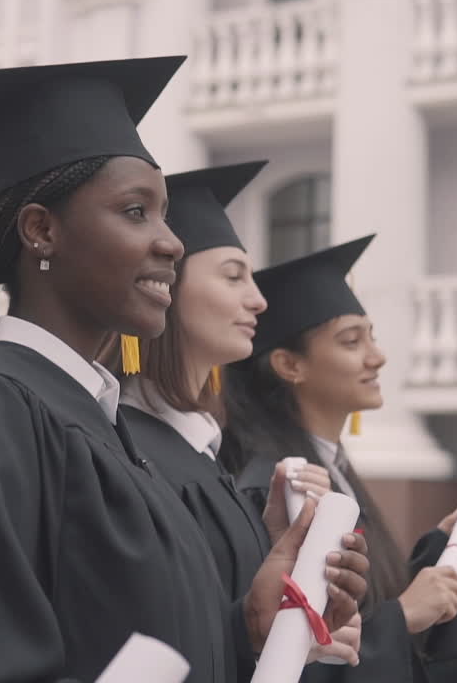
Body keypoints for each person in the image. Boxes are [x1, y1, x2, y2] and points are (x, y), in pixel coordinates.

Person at [0, 57, 369, 683]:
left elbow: (126, 643)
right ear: (41, 230)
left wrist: (251, 626)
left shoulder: (101, 424)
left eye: (164, 214)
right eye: (136, 211)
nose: (172, 242)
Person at [113, 161, 362, 679]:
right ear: (164, 285)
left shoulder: (204, 454)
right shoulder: (126, 452)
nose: (258, 300)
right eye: (233, 276)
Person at [220, 235, 457, 683]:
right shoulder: (279, 487)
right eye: (351, 342)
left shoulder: (332, 466)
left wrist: (436, 554)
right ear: (290, 365)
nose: (377, 357)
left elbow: (355, 604)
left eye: (372, 338)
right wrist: (403, 615)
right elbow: (293, 642)